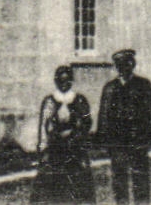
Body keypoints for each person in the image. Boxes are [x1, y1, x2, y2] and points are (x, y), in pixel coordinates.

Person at [98, 49, 151, 204]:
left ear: (132, 65)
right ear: (116, 67)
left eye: (127, 64)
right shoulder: (110, 87)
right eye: (119, 65)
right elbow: (104, 115)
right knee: (119, 177)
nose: (123, 68)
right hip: (117, 140)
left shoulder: (143, 85)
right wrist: (103, 139)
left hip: (138, 138)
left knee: (140, 176)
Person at [33, 65, 96, 203]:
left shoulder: (79, 100)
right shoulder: (49, 101)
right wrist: (43, 149)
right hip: (56, 150)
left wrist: (76, 134)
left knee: (79, 186)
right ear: (56, 82)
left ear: (71, 81)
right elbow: (44, 126)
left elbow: (87, 122)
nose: (64, 84)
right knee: (53, 187)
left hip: (75, 149)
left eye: (67, 80)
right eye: (61, 81)